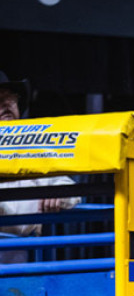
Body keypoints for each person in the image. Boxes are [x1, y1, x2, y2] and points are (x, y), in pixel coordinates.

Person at [0, 71, 81, 264]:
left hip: (22, 258)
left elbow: (71, 191)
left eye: (10, 98)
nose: (6, 105)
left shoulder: (33, 149)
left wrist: (59, 194)